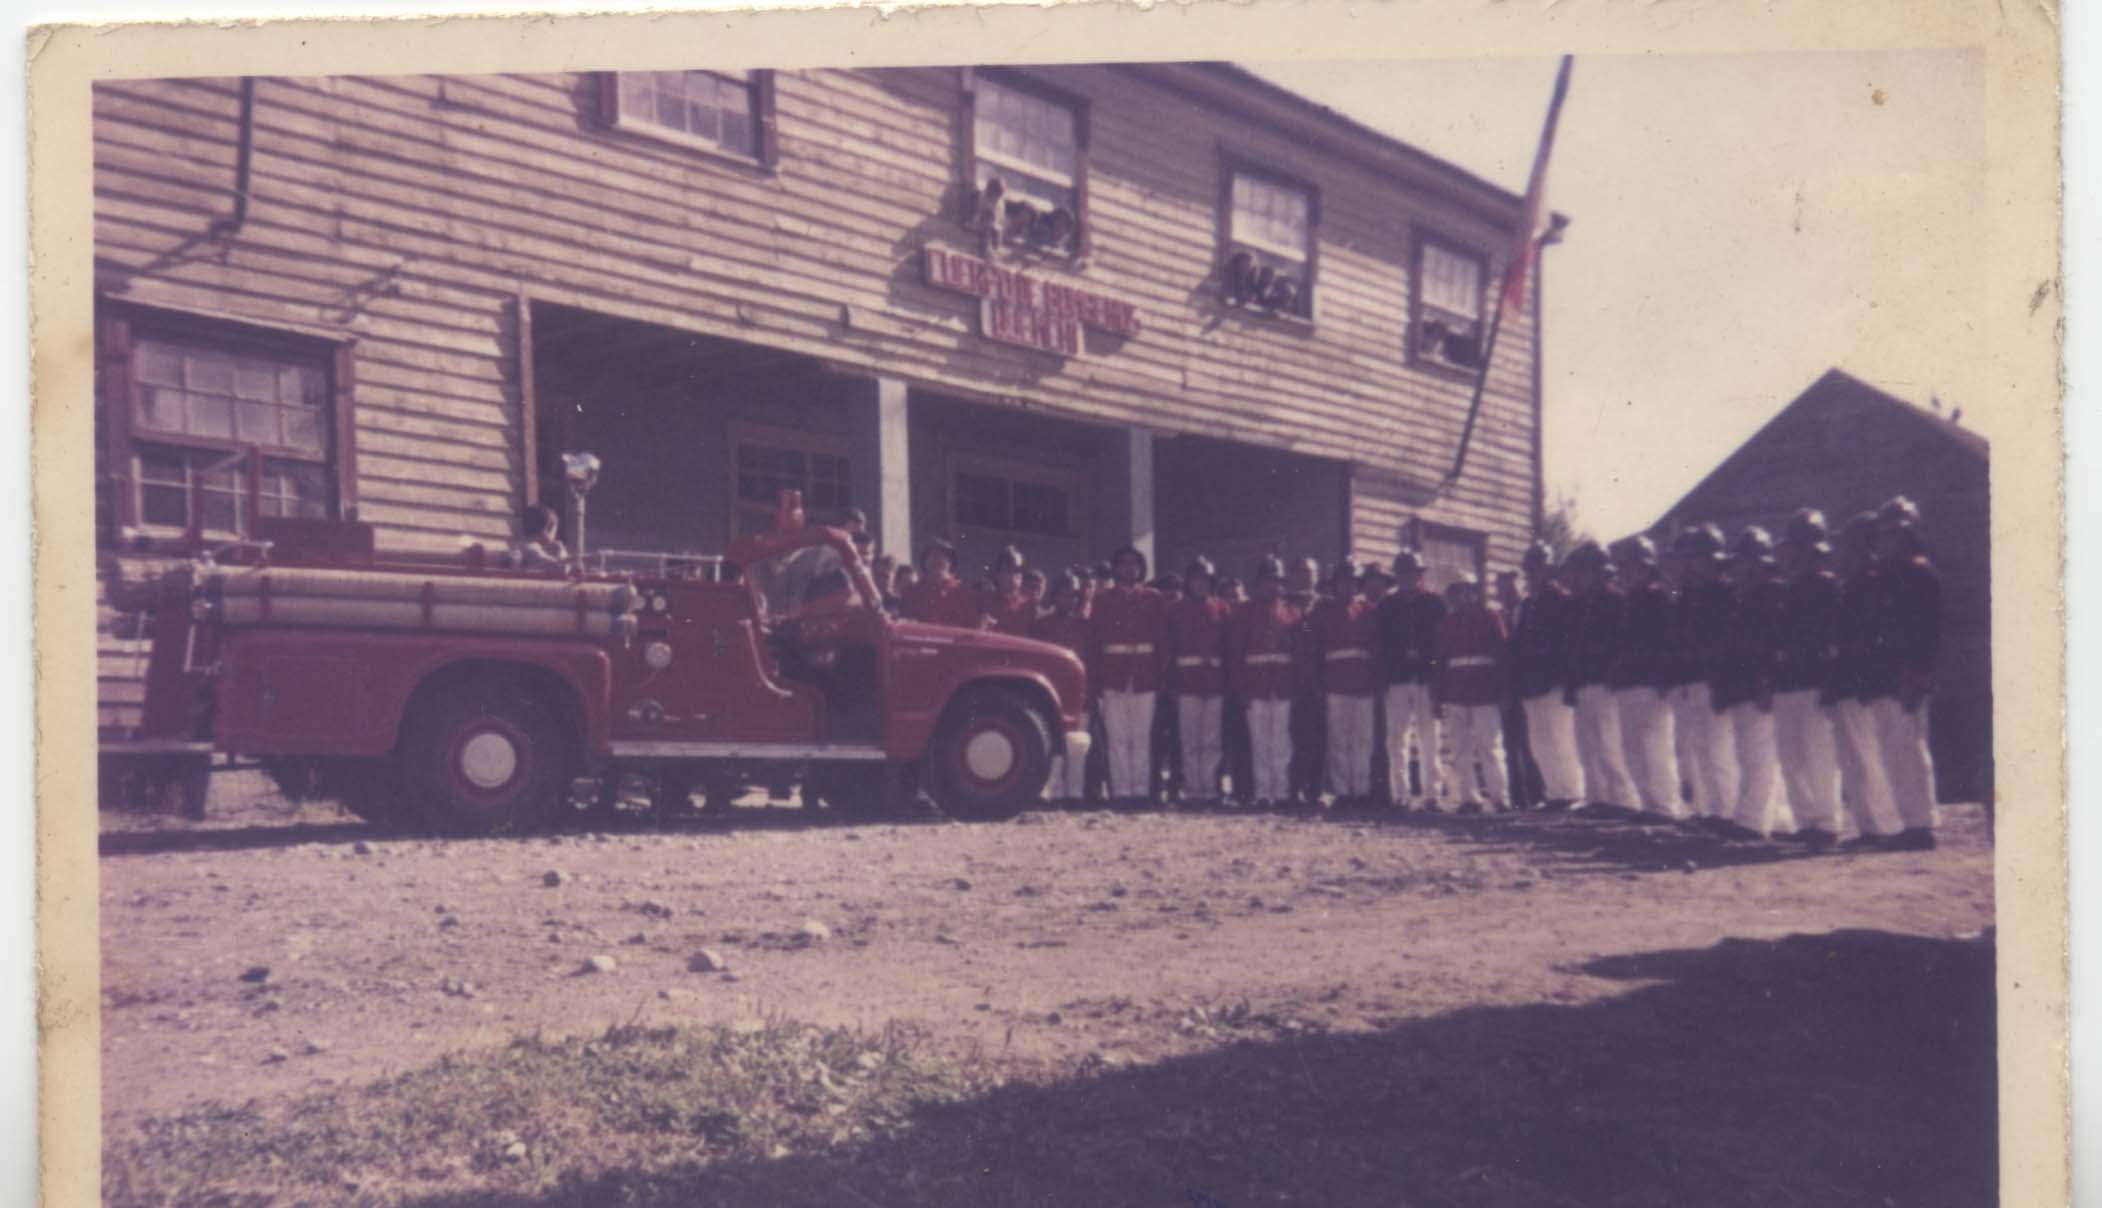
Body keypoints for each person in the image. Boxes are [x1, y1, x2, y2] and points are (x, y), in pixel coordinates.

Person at [1865, 496, 1942, 850]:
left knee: (1908, 748)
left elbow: (1928, 630)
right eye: (1883, 533)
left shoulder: (1918, 571)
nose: (1886, 539)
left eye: (1894, 532)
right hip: (1886, 673)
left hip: (1908, 672)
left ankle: (1920, 824)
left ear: (1909, 534)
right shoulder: (1888, 575)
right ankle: (1905, 821)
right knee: (1892, 750)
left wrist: (1919, 672)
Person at [1825, 511, 1906, 844]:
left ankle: (1883, 825)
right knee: (1855, 758)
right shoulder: (1852, 584)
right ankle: (1869, 825)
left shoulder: (1872, 583)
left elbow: (1869, 637)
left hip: (1863, 682)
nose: (1839, 552)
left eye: (1846, 545)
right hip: (1848, 682)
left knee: (1869, 756)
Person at [1770, 509, 1847, 848]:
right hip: (1788, 682)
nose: (1792, 554)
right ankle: (1804, 822)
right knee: (1791, 757)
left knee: (1819, 758)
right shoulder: (1787, 589)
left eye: (1799, 547)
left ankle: (1826, 823)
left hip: (1814, 679)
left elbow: (1831, 636)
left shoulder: (1828, 586)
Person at [1713, 527, 1793, 839]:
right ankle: (1775, 818)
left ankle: (1752, 820)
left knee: (1757, 756)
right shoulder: (1741, 599)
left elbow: (1770, 645)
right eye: (1739, 564)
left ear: (1763, 564)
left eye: (1750, 563)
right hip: (1741, 686)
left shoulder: (1772, 596)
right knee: (1752, 755)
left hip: (1760, 685)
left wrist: (1766, 681)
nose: (1742, 570)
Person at [1608, 535, 1685, 821]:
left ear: (1648, 569)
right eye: (1624, 568)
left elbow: (1667, 641)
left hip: (1650, 682)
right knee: (1632, 747)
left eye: (1635, 568)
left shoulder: (1659, 598)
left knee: (1655, 747)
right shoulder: (1625, 603)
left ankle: (1665, 806)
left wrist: (1662, 677)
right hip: (1628, 682)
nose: (1628, 573)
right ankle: (1647, 803)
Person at [1670, 525, 1738, 824]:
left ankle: (1725, 810)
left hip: (1715, 680)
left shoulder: (1725, 593)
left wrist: (1722, 681)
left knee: (1718, 751)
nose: (1690, 565)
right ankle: (1709, 808)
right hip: (1692, 680)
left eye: (1696, 558)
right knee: (1699, 750)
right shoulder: (1687, 597)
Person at [1565, 541, 1638, 814]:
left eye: (1587, 572)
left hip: (1605, 682)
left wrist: (1613, 675)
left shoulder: (1615, 601)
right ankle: (1597, 797)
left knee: (1609, 744)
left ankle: (1623, 799)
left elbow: (1620, 644)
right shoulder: (1577, 605)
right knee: (1587, 746)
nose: (1583, 578)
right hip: (1583, 681)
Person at [1092, 545, 1167, 803]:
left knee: (1141, 738)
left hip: (1145, 676)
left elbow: (1162, 641)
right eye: (1123, 563)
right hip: (1113, 675)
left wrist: (1160, 676)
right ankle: (1122, 791)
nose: (1129, 568)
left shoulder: (1154, 598)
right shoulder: (1101, 600)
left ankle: (1140, 790)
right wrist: (1098, 679)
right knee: (1117, 738)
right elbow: (1095, 642)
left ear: (1141, 568)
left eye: (1134, 563)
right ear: (1115, 568)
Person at [1430, 574, 1511, 813]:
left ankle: (1499, 797)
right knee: (1460, 748)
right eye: (1456, 592)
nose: (1461, 597)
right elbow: (1438, 661)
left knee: (1491, 747)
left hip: (1484, 690)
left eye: (1466, 591)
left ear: (1475, 593)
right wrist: (1437, 694)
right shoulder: (1445, 625)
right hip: (1455, 692)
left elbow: (1503, 656)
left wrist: (1504, 690)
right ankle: (1468, 798)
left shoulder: (1491, 618)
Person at [1510, 542, 1582, 808]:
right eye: (1529, 568)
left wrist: (1562, 678)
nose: (1532, 573)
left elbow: (1567, 643)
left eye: (1538, 567)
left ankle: (1572, 792)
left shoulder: (1562, 600)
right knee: (1539, 741)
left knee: (1561, 737)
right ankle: (1554, 793)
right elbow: (1517, 644)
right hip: (1530, 682)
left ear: (1549, 569)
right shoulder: (1527, 605)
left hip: (1553, 680)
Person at [1375, 550, 1447, 810]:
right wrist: (1383, 679)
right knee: (1397, 738)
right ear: (1397, 576)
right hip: (1397, 679)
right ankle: (1401, 794)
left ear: (1420, 575)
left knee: (1430, 738)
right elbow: (1380, 646)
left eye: (1413, 573)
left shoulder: (1435, 605)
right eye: (1403, 573)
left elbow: (1441, 646)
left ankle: (1432, 795)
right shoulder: (1387, 606)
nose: (1408, 578)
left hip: (1427, 678)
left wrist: (1438, 678)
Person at [1230, 557, 1302, 806]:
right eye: (1268, 582)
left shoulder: (1292, 613)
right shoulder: (1244, 613)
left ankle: (1281, 792)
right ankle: (1263, 792)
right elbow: (1237, 653)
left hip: (1283, 684)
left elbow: (1298, 654)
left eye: (1277, 582)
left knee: (1281, 741)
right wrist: (1241, 688)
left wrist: (1295, 685)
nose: (1273, 587)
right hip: (1255, 683)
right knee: (1260, 741)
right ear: (1258, 584)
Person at [1311, 558, 1381, 806]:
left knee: (1363, 739)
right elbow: (1316, 650)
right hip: (1336, 683)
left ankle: (1360, 790)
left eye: (1352, 582)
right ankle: (1342, 791)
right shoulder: (1323, 611)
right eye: (1343, 582)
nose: (1347, 587)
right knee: (1339, 739)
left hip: (1363, 684)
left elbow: (1377, 649)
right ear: (1335, 584)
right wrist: (1319, 682)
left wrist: (1374, 681)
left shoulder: (1369, 611)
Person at [1164, 557, 1231, 806]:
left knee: (1212, 741)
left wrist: (1227, 682)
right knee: (1190, 740)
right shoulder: (1176, 611)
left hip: (1214, 683)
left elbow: (1229, 649)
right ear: (1189, 583)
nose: (1200, 585)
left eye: (1205, 580)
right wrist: (1170, 683)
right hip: (1187, 682)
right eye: (1196, 580)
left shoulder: (1222, 609)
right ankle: (1193, 791)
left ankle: (1210, 790)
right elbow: (1169, 650)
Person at [1034, 571, 1094, 806]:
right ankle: (1053, 792)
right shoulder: (1041, 627)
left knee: (1077, 745)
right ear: (1055, 595)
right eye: (1062, 593)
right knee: (1054, 745)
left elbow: (1094, 662)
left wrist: (1093, 692)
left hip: (1080, 694)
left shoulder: (1087, 627)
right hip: (1052, 693)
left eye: (1073, 595)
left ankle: (1075, 793)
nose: (1067, 599)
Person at [1495, 570, 1544, 808]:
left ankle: (1538, 793)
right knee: (1510, 742)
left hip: (1529, 684)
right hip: (1506, 687)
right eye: (1502, 591)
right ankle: (1518, 797)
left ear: (1520, 589)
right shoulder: (1498, 617)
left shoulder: (1531, 611)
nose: (1507, 595)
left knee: (1532, 741)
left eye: (1511, 589)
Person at [1285, 556, 1328, 805]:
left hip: (1320, 681)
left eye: (1310, 572)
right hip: (1292, 681)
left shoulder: (1325, 606)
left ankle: (1315, 790)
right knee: (1295, 738)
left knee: (1319, 739)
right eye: (1300, 572)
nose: (1305, 576)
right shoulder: (1285, 606)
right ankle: (1293, 788)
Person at [900, 540, 979, 627]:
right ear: (925, 562)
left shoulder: (965, 594)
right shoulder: (912, 593)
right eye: (932, 556)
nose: (937, 560)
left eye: (942, 556)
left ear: (951, 562)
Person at [980, 546, 1036, 636]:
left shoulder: (1029, 606)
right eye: (1008, 570)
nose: (1013, 575)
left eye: (1018, 570)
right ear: (997, 574)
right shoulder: (984, 601)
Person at [511, 503, 569, 572]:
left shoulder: (521, 545)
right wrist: (561, 550)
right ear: (546, 531)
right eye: (554, 531)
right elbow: (562, 568)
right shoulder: (532, 549)